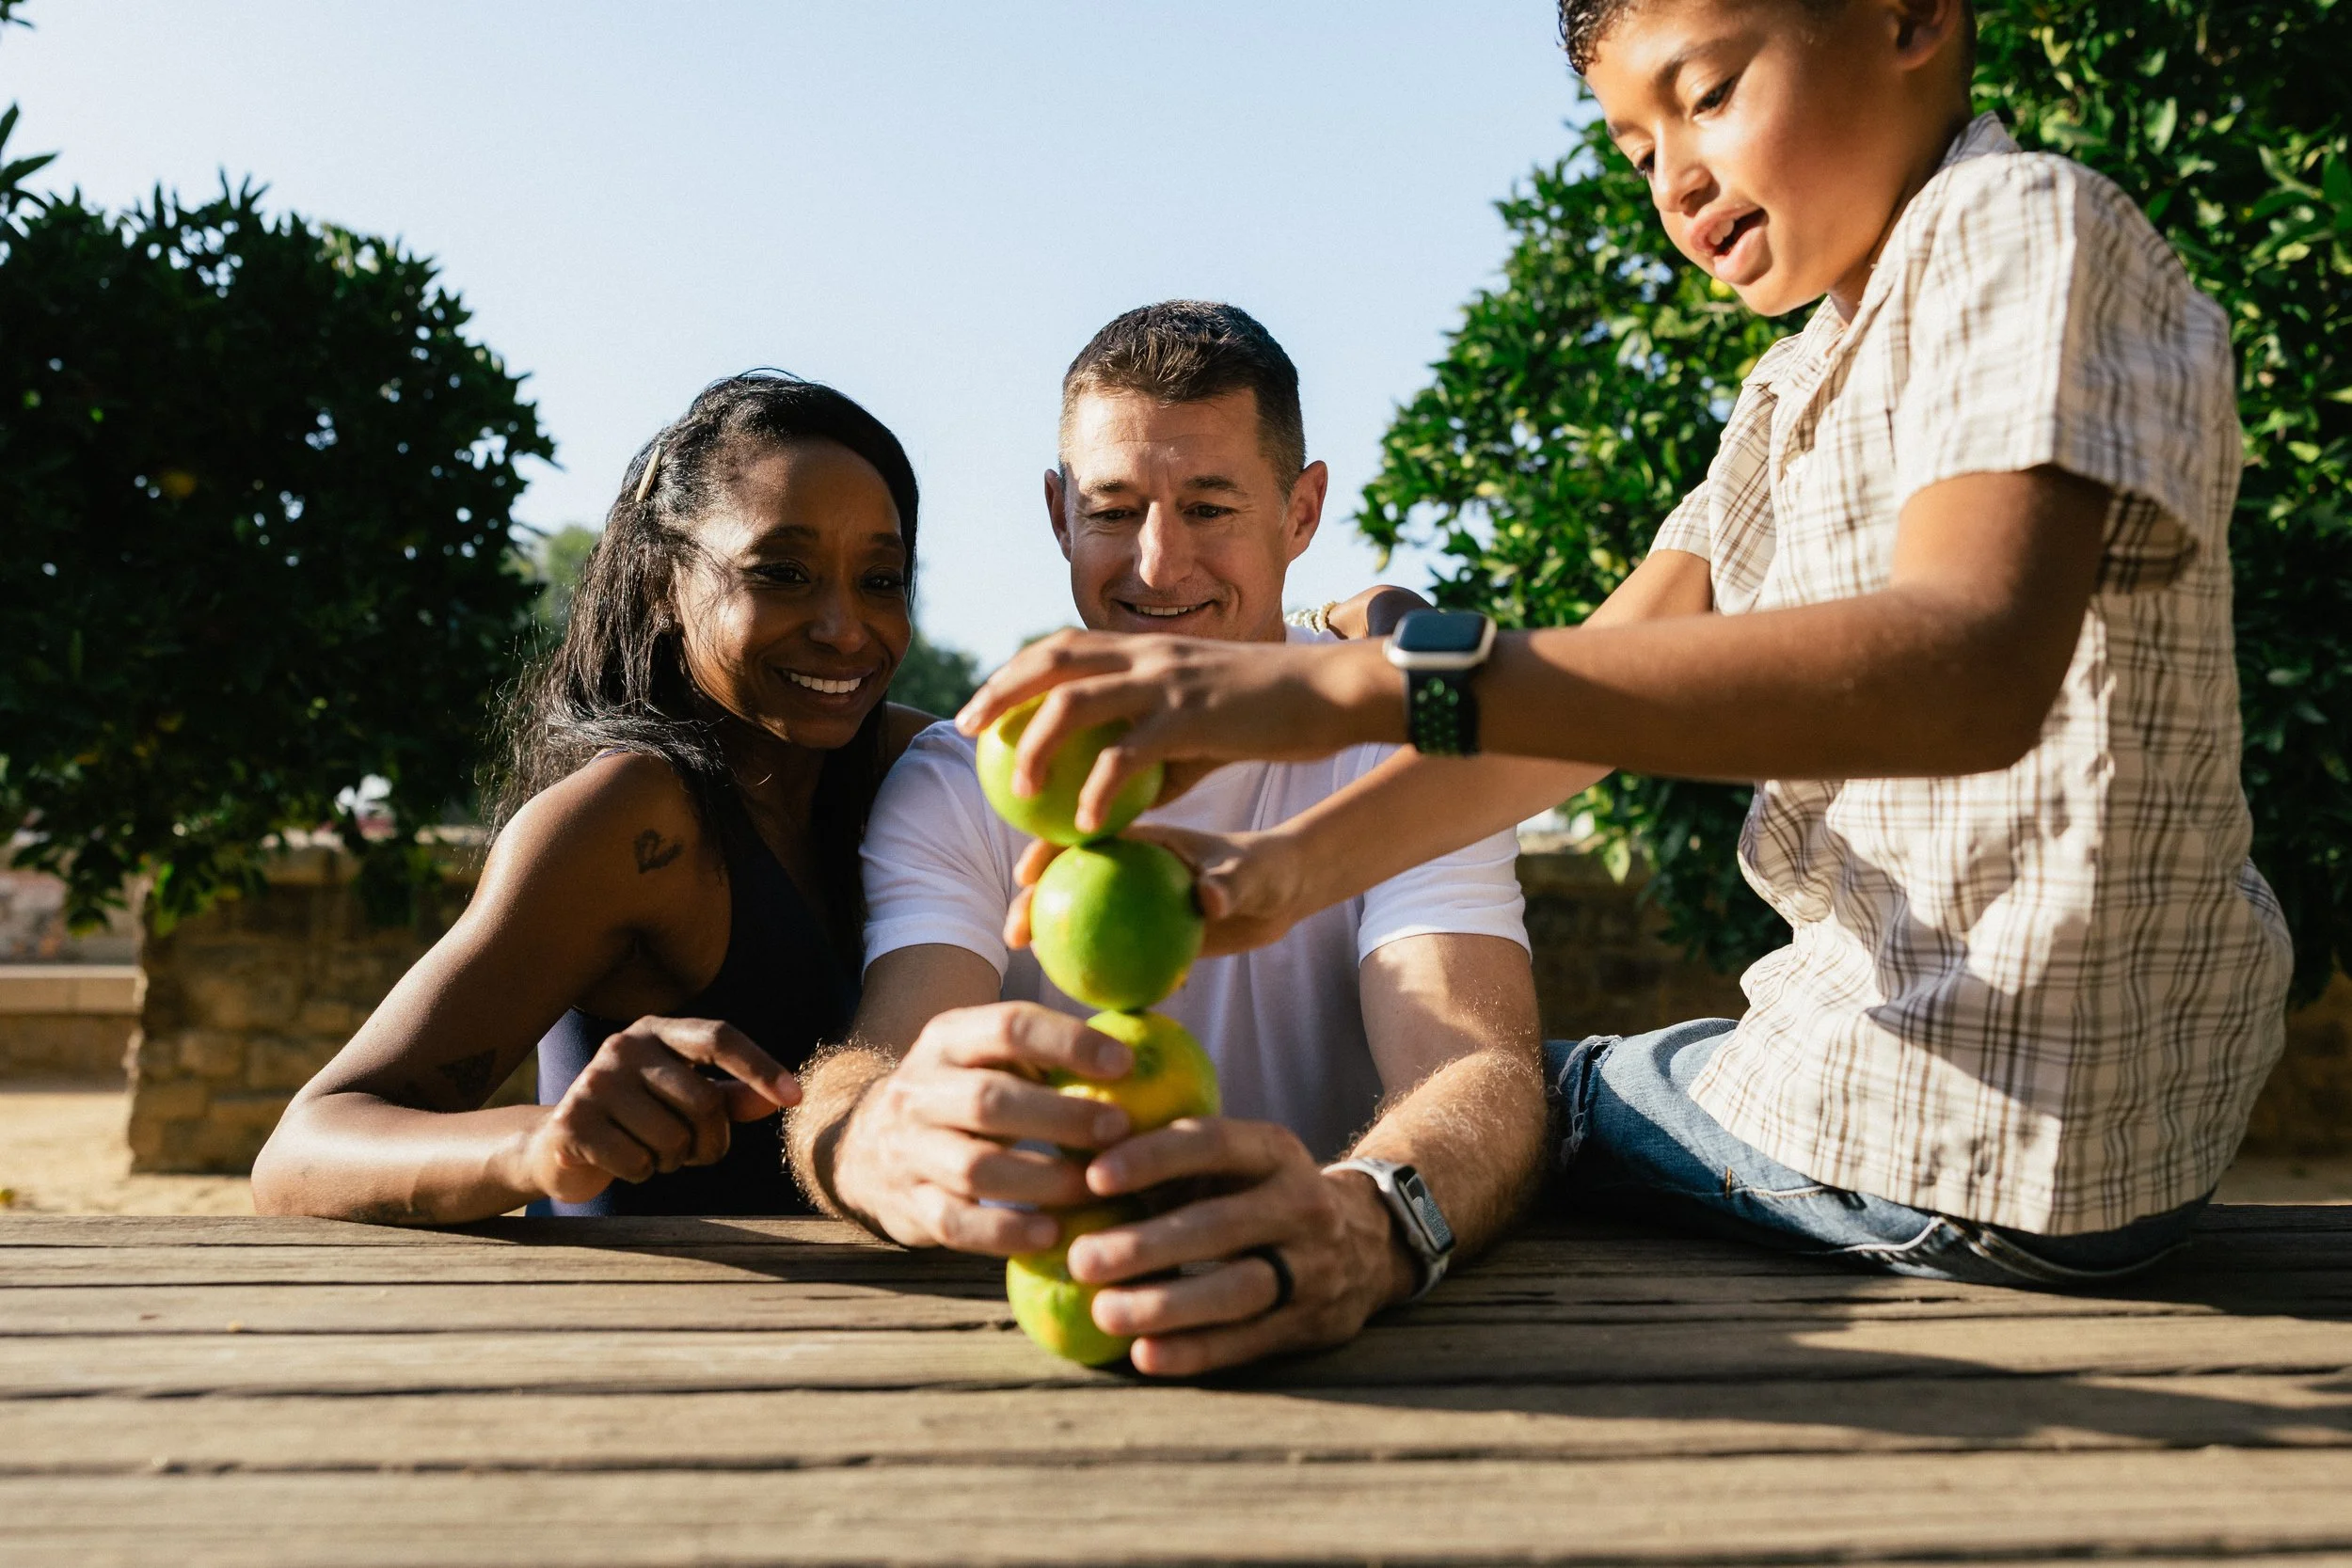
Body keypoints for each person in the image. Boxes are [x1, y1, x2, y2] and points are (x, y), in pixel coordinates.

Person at [961, 0, 2293, 1287]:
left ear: (1910, 18)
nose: (1678, 179)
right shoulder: (1786, 393)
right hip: (2081, 1138)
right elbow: (1555, 727)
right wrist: (1277, 873)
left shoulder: (2016, 226)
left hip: (1945, 1123)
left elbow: (1967, 667)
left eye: (1707, 96)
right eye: (1639, 151)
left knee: (1519, 1103)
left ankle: (1354, 1244)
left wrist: (1344, 685)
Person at [785, 301, 1548, 1376]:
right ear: (1057, 514)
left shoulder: (1403, 753)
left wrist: (1367, 1224)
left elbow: (1481, 1066)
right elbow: (875, 1056)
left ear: (1302, 510)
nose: (1156, 562)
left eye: (1208, 505)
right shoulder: (960, 779)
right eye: (1113, 508)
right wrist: (863, 1143)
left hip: (1365, 1351)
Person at [253, 372, 932, 1223]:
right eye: (783, 572)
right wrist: (543, 1144)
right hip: (631, 1337)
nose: (843, 627)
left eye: (880, 579)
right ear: (661, 583)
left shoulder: (919, 769)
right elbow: (301, 1152)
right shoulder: (631, 822)